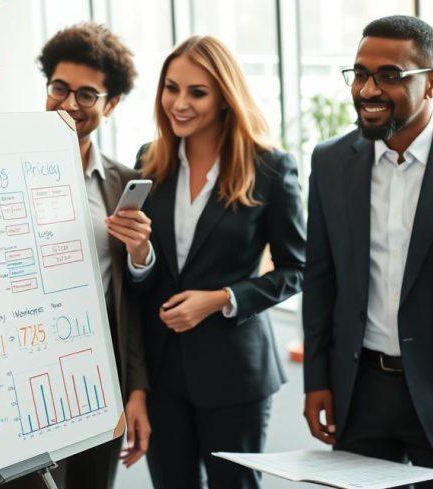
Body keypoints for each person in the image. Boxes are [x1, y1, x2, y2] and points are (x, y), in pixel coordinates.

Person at [303, 16, 433, 487]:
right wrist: (317, 378)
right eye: (360, 74)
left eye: (389, 76)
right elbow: (320, 278)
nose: (367, 90)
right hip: (360, 387)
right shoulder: (329, 161)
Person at [129, 35, 306, 489]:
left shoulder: (269, 168)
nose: (179, 103)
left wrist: (222, 299)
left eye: (197, 92)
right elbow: (145, 280)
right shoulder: (150, 163)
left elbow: (297, 269)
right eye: (171, 88)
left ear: (226, 98)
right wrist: (139, 255)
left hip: (234, 372)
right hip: (163, 369)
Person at [37, 22, 153, 489]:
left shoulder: (121, 183)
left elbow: (130, 301)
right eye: (59, 88)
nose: (68, 104)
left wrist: (140, 252)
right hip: (21, 371)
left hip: (96, 377)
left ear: (112, 105)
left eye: (87, 95)